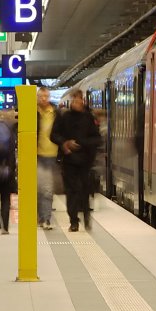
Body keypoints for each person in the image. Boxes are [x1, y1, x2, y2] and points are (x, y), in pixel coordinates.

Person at [51, 90, 101, 232]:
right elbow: (53, 135)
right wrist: (65, 143)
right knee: (71, 191)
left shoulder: (88, 118)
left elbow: (97, 138)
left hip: (85, 162)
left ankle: (86, 216)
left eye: (80, 99)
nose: (78, 102)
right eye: (75, 100)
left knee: (84, 191)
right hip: (69, 161)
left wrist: (82, 143)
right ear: (71, 101)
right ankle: (74, 221)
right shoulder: (64, 117)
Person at [35, 87, 58, 230]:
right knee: (38, 189)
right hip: (36, 155)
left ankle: (46, 219)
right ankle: (41, 216)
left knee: (47, 189)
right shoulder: (32, 113)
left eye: (46, 96)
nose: (43, 99)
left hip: (52, 156)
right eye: (41, 96)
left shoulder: (56, 113)